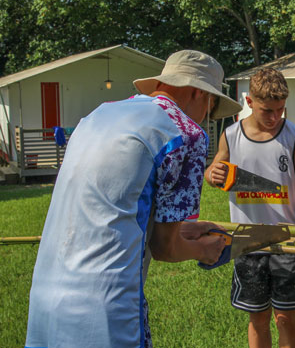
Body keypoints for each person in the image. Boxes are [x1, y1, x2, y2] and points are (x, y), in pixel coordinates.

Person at [25, 50, 242, 348]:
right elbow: (166, 248)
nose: (206, 116)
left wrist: (186, 230)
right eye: (211, 104)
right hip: (107, 304)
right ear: (198, 93)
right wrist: (206, 250)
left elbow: (116, 207)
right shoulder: (186, 133)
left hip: (46, 296)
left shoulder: (98, 115)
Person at [205, 68, 295, 348]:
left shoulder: (293, 135)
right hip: (247, 240)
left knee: (285, 317)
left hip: (287, 239)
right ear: (249, 101)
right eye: (268, 110)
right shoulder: (231, 135)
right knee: (257, 318)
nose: (275, 117)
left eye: (281, 109)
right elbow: (214, 171)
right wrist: (212, 175)